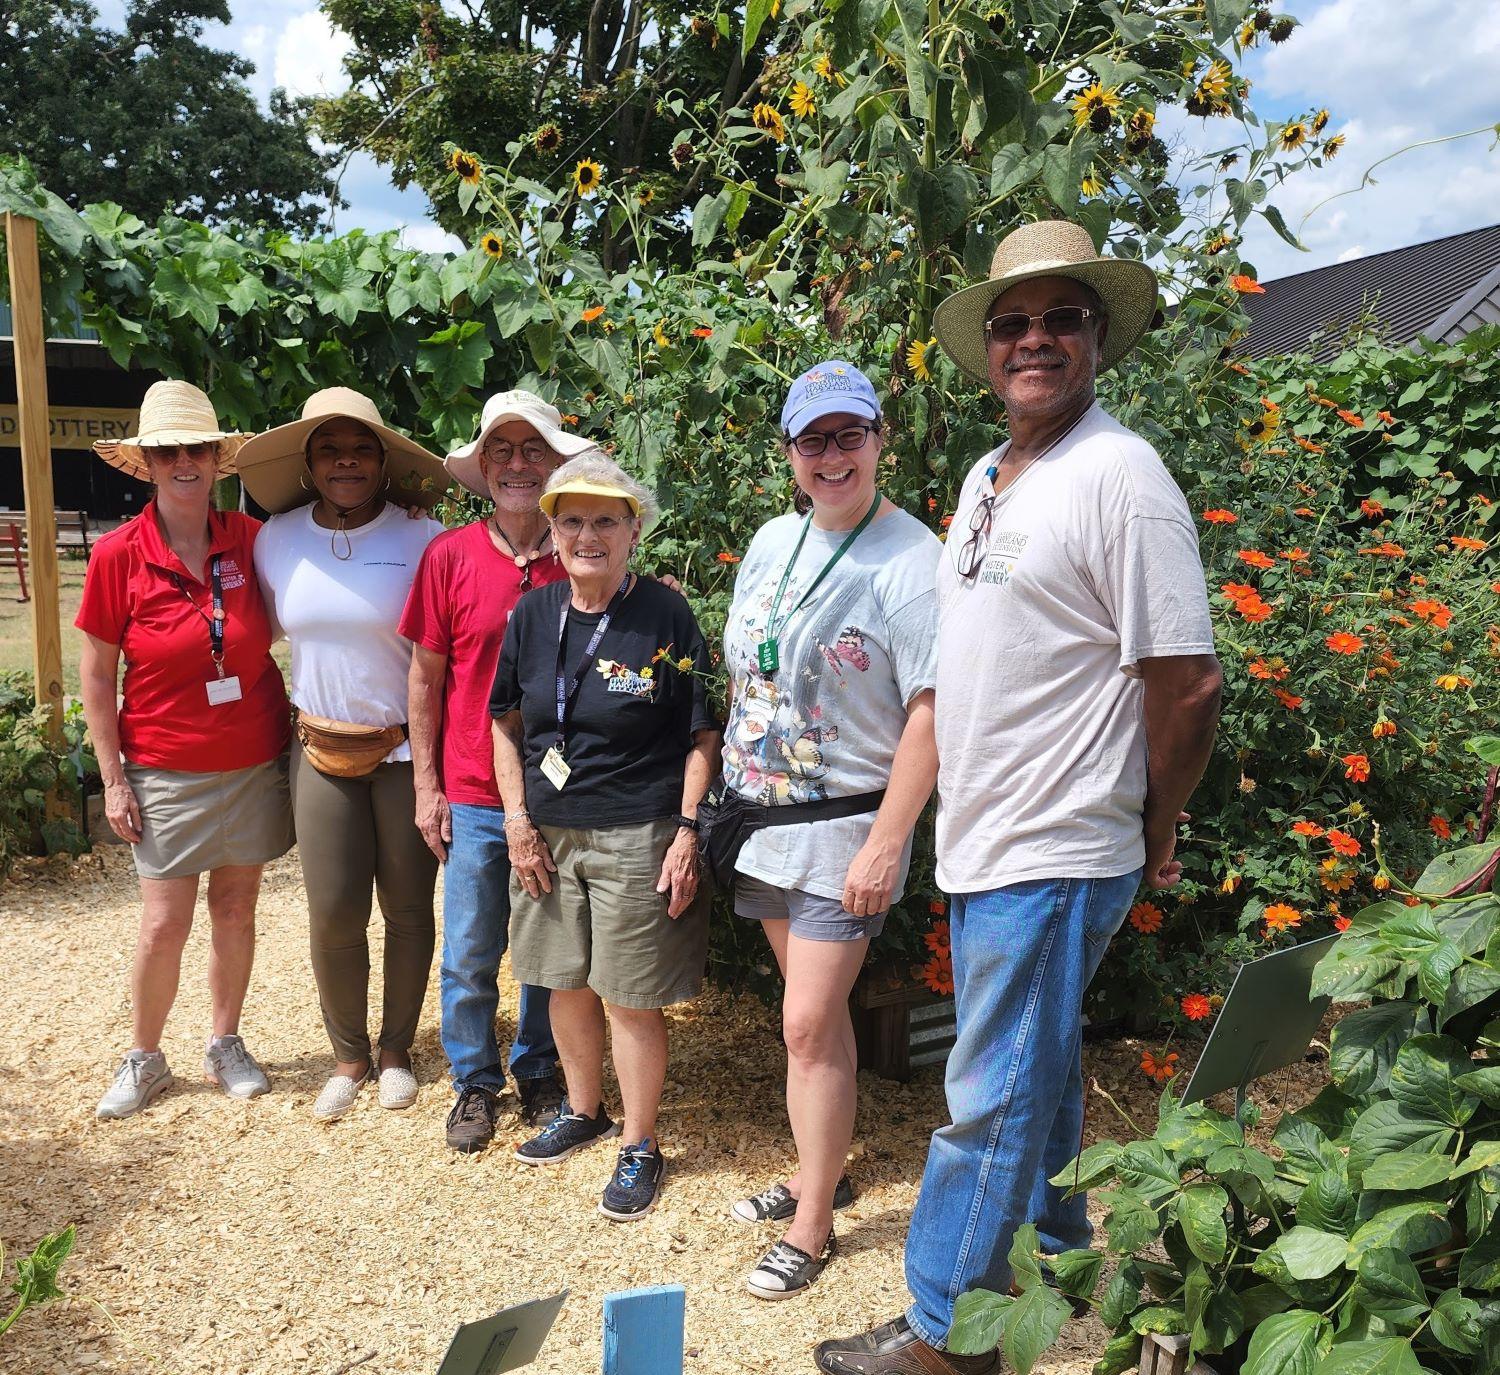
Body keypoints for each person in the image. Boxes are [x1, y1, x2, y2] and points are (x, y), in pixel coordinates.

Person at [814, 222, 1222, 1373]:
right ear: (987, 347)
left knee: (984, 1096)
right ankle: (1057, 1243)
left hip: (1056, 838)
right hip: (990, 837)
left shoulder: (1120, 476)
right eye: (1012, 322)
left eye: (1061, 318)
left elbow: (1187, 683)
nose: (1035, 339)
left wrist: (1152, 821)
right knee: (1031, 1067)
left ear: (1098, 336)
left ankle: (951, 1335)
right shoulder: (987, 476)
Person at [714, 361, 939, 1300]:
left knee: (805, 1023)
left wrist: (891, 839)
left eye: (851, 435)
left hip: (846, 829)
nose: (833, 455)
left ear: (881, 437)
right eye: (815, 440)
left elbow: (933, 708)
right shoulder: (773, 539)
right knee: (819, 1023)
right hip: (762, 822)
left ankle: (812, 1227)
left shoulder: (911, 558)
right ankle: (823, 1167)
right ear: (791, 454)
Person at [490, 455, 719, 1222]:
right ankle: (583, 1109)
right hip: (548, 832)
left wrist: (687, 828)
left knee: (629, 996)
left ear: (633, 531)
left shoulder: (663, 615)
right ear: (552, 531)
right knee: (562, 979)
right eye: (573, 520)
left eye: (606, 521)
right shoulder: (531, 615)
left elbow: (701, 732)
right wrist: (517, 818)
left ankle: (640, 1142)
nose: (589, 535)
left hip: (636, 830)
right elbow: (505, 723)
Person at [79, 380, 293, 1119]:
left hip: (253, 755)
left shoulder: (253, 540)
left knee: (235, 909)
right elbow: (99, 677)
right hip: (164, 764)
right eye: (167, 450)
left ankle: (224, 1041)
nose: (183, 462)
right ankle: (144, 1056)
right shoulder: (117, 555)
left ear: (215, 458)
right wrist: (113, 779)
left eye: (195, 448)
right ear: (148, 462)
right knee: (164, 920)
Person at [239, 387, 449, 1122]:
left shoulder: (423, 536)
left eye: (360, 447)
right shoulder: (277, 537)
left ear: (383, 459)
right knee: (331, 911)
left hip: (401, 751)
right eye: (330, 448)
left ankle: (396, 1050)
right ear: (309, 461)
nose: (346, 461)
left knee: (409, 905)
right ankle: (349, 1055)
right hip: (321, 746)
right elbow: (258, 633)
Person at [399, 391, 598, 1153]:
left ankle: (540, 1067)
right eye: (503, 451)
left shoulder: (579, 549)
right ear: (483, 467)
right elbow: (424, 680)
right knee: (472, 949)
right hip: (476, 792)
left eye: (533, 449)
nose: (519, 464)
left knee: (549, 948)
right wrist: (427, 785)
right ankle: (474, 1081)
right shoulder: (450, 556)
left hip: (560, 792)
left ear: (554, 462)